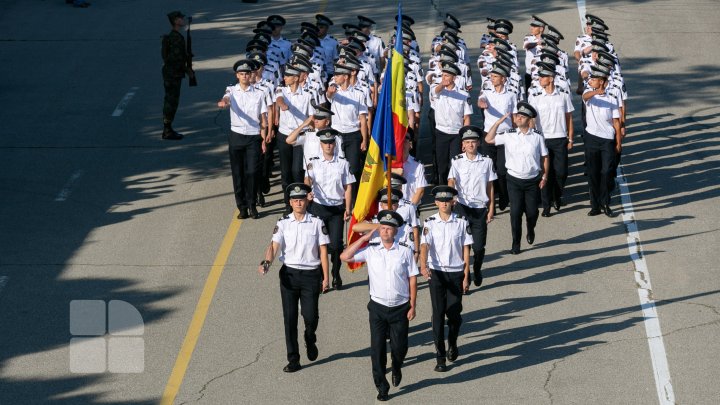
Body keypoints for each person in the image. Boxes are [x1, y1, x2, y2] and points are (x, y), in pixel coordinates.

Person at [340, 210, 418, 402]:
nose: (384, 232)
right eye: (382, 228)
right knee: (377, 349)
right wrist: (365, 237)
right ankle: (381, 386)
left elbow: (413, 278)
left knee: (400, 347)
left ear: (395, 231)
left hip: (400, 307)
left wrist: (413, 305)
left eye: (388, 229)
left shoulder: (405, 251)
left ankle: (397, 366)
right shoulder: (371, 250)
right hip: (377, 307)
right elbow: (345, 256)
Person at [258, 183, 330, 373]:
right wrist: (266, 262)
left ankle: (310, 336)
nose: (299, 203)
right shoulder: (283, 222)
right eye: (295, 200)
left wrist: (326, 277)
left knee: (310, 316)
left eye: (302, 199)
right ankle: (293, 359)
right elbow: (273, 246)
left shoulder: (316, 222)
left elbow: (323, 251)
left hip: (311, 275)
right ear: (290, 202)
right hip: (289, 274)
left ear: (307, 200)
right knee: (289, 319)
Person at [419, 186, 473, 372]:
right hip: (437, 273)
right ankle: (440, 356)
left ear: (452, 202)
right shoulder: (429, 222)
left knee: (454, 314)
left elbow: (466, 248)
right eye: (440, 200)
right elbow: (425, 245)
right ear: (436, 202)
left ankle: (453, 342)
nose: (444, 203)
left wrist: (466, 274)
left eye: (447, 200)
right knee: (438, 314)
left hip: (456, 272)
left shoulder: (461, 222)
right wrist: (423, 264)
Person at [485, 102, 549, 255]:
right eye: (518, 115)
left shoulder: (537, 137)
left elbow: (544, 157)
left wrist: (545, 176)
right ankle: (516, 242)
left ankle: (531, 228)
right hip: (513, 179)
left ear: (529, 120)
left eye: (522, 116)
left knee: (532, 212)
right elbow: (488, 139)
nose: (518, 118)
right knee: (515, 213)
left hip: (532, 180)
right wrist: (498, 122)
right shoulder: (509, 134)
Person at [217, 60, 268, 220]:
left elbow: (263, 116)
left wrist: (264, 138)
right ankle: (242, 207)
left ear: (251, 75)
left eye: (247, 73)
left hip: (253, 136)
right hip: (237, 136)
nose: (245, 76)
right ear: (237, 76)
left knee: (252, 172)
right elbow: (227, 98)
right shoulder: (232, 90)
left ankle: (252, 204)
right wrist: (224, 102)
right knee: (238, 174)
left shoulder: (259, 93)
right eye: (241, 74)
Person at [304, 128, 355, 290]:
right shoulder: (314, 161)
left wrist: (348, 208)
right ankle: (321, 277)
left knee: (336, 245)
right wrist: (307, 191)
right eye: (325, 143)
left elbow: (348, 187)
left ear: (335, 144)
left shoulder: (343, 163)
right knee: (319, 244)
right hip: (318, 207)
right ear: (321, 145)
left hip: (336, 209)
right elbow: (308, 179)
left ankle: (335, 273)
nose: (328, 145)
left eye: (331, 143)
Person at [448, 126, 496, 286]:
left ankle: (477, 267)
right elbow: (451, 180)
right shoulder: (456, 161)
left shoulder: (487, 161)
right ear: (463, 145)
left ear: (478, 143)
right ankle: (465, 275)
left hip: (480, 209)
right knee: (463, 245)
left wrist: (491, 209)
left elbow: (490, 186)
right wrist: (452, 195)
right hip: (462, 207)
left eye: (473, 142)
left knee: (479, 246)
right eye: (467, 142)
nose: (470, 145)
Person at [527, 62, 574, 216]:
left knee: (561, 172)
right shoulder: (535, 97)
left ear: (551, 78)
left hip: (560, 138)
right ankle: (546, 205)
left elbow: (569, 118)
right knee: (545, 173)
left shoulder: (563, 95)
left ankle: (557, 195)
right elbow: (532, 119)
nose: (540, 79)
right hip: (542, 139)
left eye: (543, 77)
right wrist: (533, 135)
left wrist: (571, 138)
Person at [582, 66, 622, 217]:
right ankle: (595, 205)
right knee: (593, 172)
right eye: (591, 79)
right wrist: (596, 92)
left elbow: (616, 122)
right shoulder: (589, 94)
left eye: (594, 79)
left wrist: (618, 142)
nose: (590, 81)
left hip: (607, 140)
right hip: (592, 138)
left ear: (602, 81)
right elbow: (585, 97)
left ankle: (606, 203)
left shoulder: (612, 97)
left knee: (606, 171)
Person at [478, 63, 518, 211]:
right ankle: (490, 200)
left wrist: (515, 132)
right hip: (489, 135)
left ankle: (503, 197)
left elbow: (514, 116)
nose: (492, 79)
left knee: (501, 169)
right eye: (491, 76)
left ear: (503, 79)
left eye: (495, 77)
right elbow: (480, 100)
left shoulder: (511, 95)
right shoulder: (487, 92)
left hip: (505, 136)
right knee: (489, 169)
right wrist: (481, 103)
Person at [327, 63, 369, 200]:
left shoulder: (358, 94)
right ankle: (340, 197)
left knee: (354, 168)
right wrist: (330, 92)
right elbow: (328, 95)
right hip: (337, 135)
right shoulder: (334, 91)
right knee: (337, 167)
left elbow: (363, 119)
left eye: (338, 75)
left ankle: (356, 198)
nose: (335, 77)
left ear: (345, 77)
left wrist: (364, 139)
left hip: (353, 135)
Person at [275, 64, 315, 209]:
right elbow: (279, 99)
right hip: (284, 134)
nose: (284, 78)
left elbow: (312, 116)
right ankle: (288, 204)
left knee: (297, 170)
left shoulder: (307, 94)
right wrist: (283, 105)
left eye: (287, 76)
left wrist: (307, 128)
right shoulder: (282, 90)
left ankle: (300, 201)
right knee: (285, 172)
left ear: (296, 78)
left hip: (300, 137)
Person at [430, 61, 473, 185]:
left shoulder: (464, 95)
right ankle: (443, 190)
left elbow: (467, 118)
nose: (444, 78)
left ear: (454, 78)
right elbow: (435, 91)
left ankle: (455, 190)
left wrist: (466, 139)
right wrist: (442, 84)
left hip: (456, 134)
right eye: (443, 75)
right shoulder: (438, 90)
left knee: (455, 163)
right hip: (441, 133)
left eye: (447, 76)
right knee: (442, 165)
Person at [161, 11, 195, 140]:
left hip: (172, 72)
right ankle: (167, 130)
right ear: (175, 21)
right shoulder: (175, 37)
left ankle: (168, 128)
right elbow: (175, 59)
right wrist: (187, 70)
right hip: (173, 73)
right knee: (171, 101)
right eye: (180, 18)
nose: (182, 19)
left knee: (171, 100)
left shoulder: (174, 36)